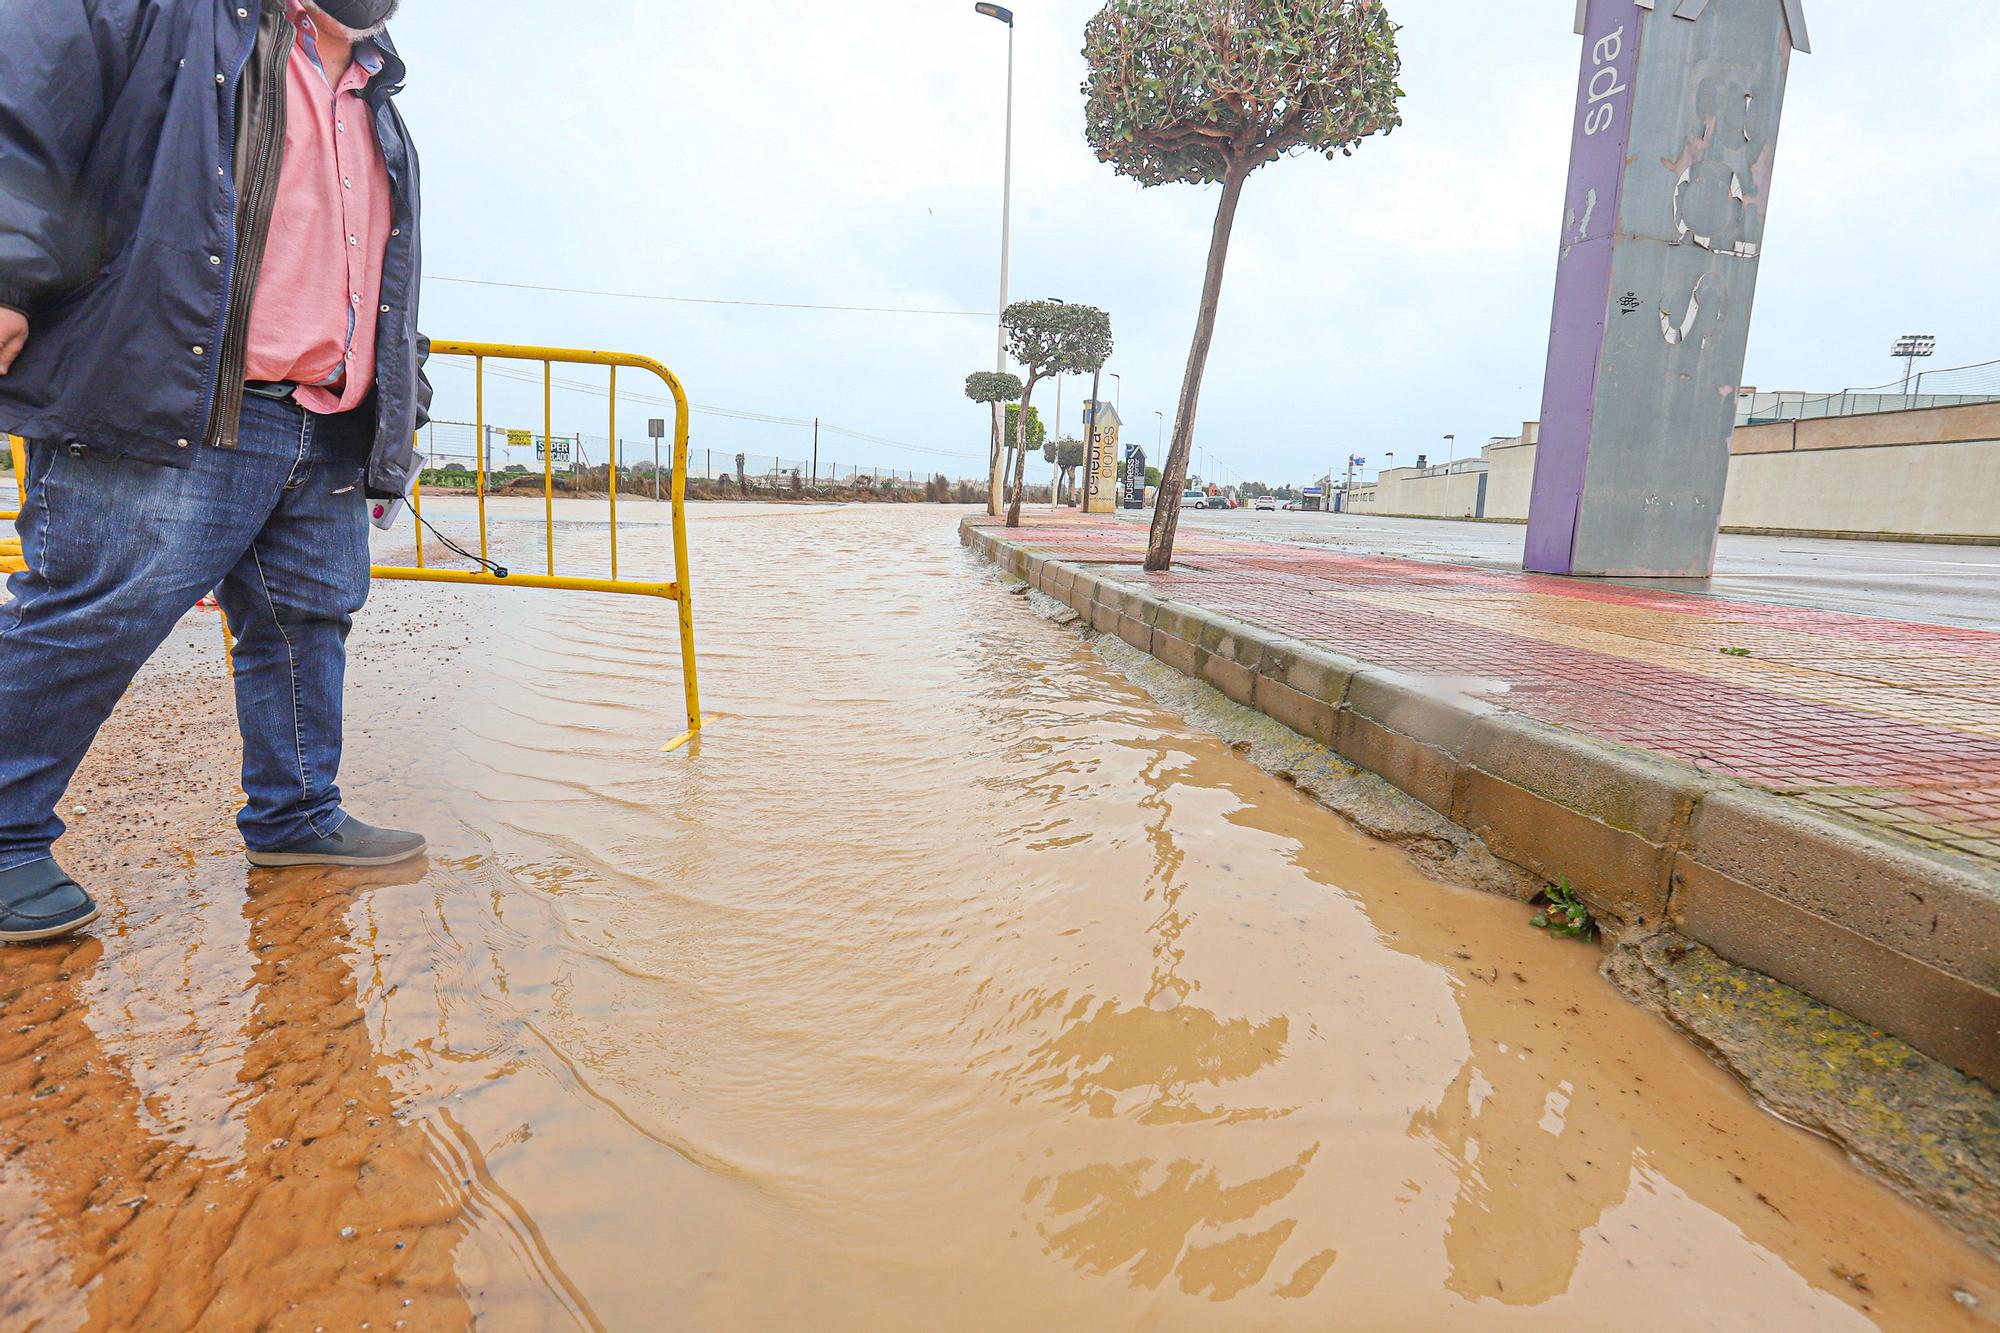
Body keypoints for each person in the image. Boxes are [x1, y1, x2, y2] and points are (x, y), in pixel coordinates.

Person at [0, 0, 431, 944]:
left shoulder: (378, 92)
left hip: (325, 417)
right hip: (178, 388)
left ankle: (298, 814)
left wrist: (402, 402)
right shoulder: (181, 15)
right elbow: (24, 102)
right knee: (88, 612)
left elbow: (384, 277)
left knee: (305, 621)